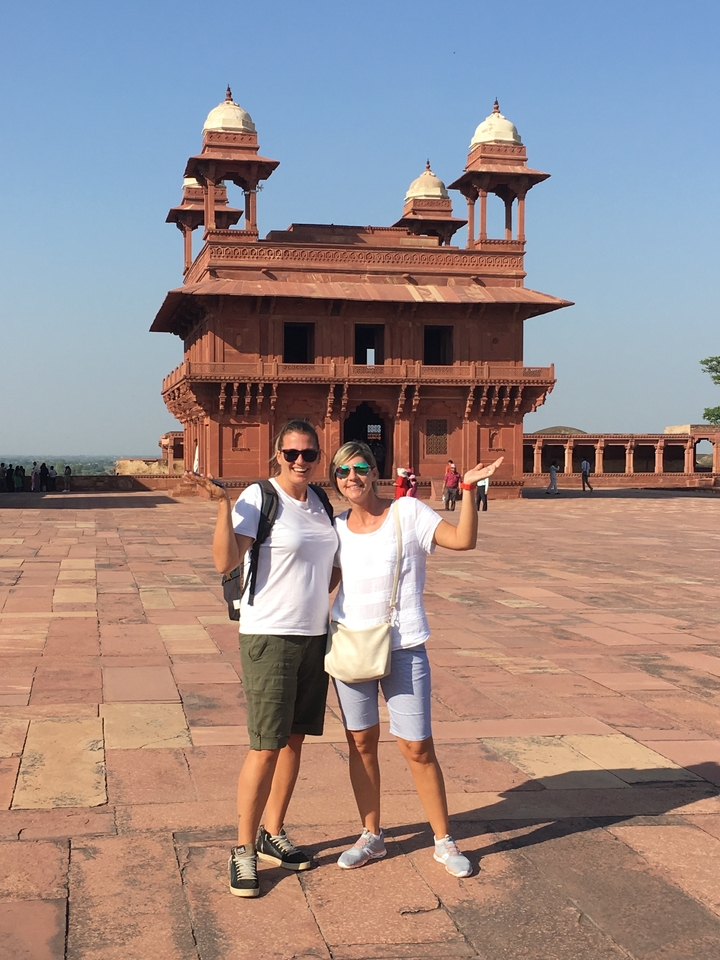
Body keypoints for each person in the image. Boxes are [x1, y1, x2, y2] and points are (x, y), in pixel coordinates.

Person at [328, 441, 503, 878]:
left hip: (404, 644)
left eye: (361, 467)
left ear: (375, 472)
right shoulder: (335, 527)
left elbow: (463, 540)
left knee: (417, 746)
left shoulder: (408, 512)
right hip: (351, 643)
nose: (352, 477)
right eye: (342, 471)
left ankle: (443, 840)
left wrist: (467, 488)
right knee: (361, 741)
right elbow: (319, 581)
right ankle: (371, 834)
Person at [185, 419, 338, 899]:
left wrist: (316, 598)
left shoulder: (320, 503)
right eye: (291, 453)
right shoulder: (258, 497)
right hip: (269, 634)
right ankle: (243, 848)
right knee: (265, 743)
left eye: (308, 454)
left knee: (295, 738)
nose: (299, 461)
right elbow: (225, 562)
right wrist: (222, 506)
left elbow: (330, 566)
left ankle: (274, 833)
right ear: (277, 455)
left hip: (314, 634)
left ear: (318, 456)